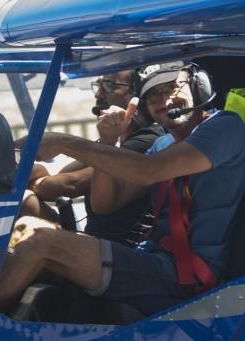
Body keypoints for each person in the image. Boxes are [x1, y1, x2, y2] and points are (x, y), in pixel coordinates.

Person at [0, 62, 245, 316]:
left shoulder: (224, 126)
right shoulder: (162, 144)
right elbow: (106, 204)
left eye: (172, 88)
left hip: (188, 273)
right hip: (151, 257)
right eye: (153, 96)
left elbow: (151, 170)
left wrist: (65, 143)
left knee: (41, 242)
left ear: (199, 87)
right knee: (24, 228)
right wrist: (108, 141)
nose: (164, 100)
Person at [21, 69, 165, 246]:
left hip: (120, 248)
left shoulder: (146, 142)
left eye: (109, 85)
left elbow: (68, 185)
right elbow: (62, 174)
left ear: (136, 97)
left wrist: (33, 180)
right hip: (97, 241)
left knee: (23, 203)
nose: (99, 92)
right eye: (100, 84)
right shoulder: (114, 140)